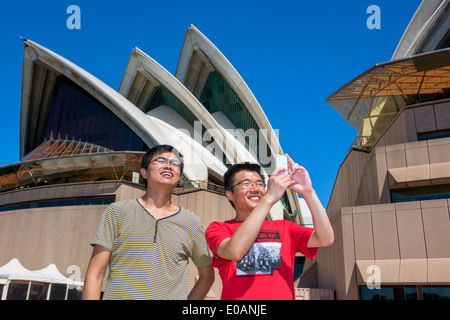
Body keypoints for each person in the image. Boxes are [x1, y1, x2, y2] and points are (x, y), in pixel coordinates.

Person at [82, 144, 214, 300]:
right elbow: (95, 275)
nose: (169, 166)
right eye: (161, 161)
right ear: (143, 172)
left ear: (179, 176)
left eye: (175, 164)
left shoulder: (191, 222)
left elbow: (207, 276)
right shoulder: (117, 212)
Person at [205, 154, 334, 300]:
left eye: (260, 184)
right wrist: (269, 199)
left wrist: (308, 192)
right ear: (229, 194)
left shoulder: (285, 227)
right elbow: (235, 251)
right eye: (246, 184)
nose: (255, 188)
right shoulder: (218, 229)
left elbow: (326, 239)